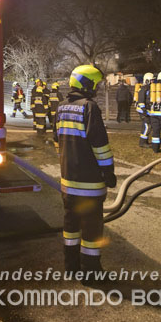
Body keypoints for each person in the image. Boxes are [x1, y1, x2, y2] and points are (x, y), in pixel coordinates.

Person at [54, 65, 116, 273]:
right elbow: (99, 144)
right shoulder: (89, 107)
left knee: (71, 227)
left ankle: (71, 267)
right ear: (87, 84)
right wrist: (108, 171)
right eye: (95, 84)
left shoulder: (62, 107)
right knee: (91, 231)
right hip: (89, 184)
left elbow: (57, 141)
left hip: (68, 183)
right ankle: (91, 273)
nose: (97, 88)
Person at [138, 72, 154, 148]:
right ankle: (142, 142)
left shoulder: (149, 89)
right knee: (147, 126)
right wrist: (144, 111)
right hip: (143, 111)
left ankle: (145, 141)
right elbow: (141, 101)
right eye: (151, 80)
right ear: (147, 80)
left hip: (146, 111)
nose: (153, 82)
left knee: (147, 126)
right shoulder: (143, 89)